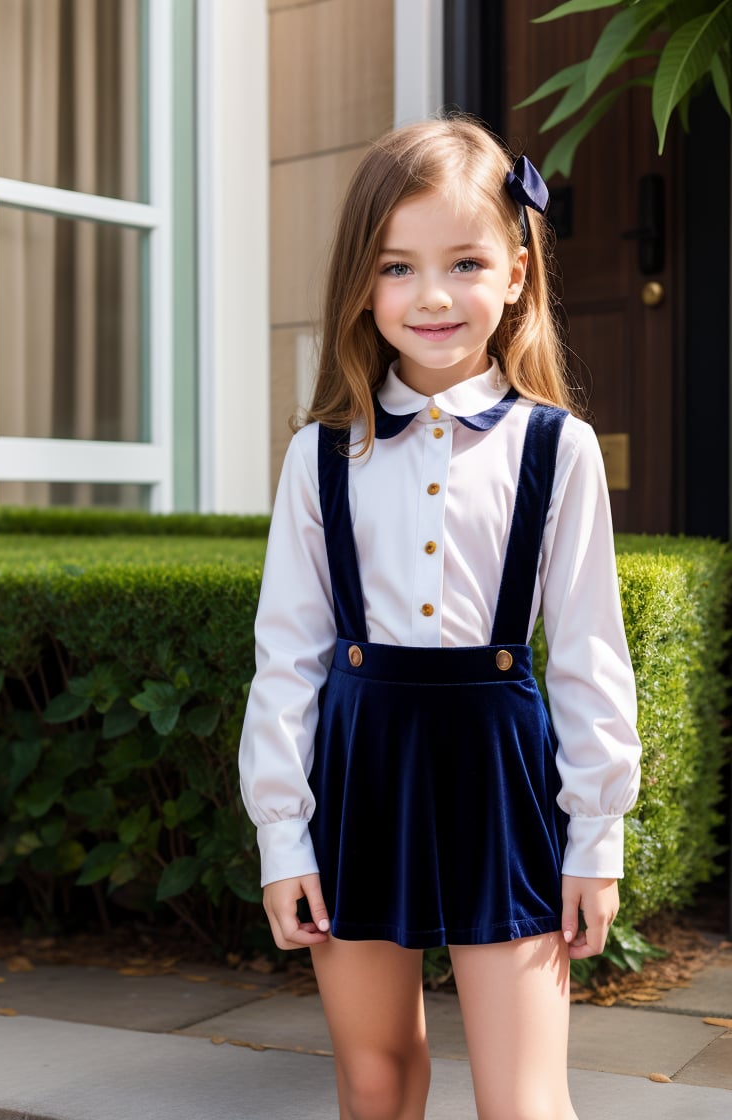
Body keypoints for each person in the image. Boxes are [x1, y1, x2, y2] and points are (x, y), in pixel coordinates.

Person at [238, 116, 642, 1120]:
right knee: (374, 1079)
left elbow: (591, 653)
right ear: (361, 286)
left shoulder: (560, 450)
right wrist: (283, 838)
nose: (430, 296)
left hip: (499, 771)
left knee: (523, 1098)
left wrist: (596, 840)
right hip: (359, 767)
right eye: (397, 267)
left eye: (463, 262)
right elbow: (287, 655)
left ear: (514, 272)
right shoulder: (320, 456)